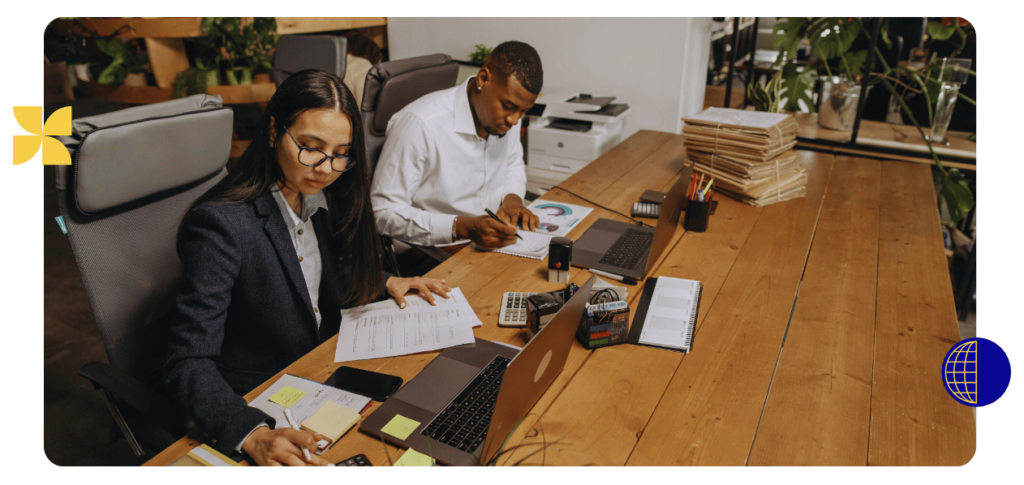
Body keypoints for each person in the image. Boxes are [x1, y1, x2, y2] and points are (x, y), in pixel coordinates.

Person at [166, 69, 450, 466]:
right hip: (257, 398)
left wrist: (386, 282)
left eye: (340, 153)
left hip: (320, 373)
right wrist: (251, 433)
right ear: (273, 132)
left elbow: (312, 280)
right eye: (311, 147)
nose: (326, 168)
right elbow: (188, 360)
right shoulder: (221, 225)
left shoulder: (317, 198)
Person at [370, 40, 544, 252]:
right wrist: (462, 227)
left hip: (492, 241)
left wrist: (513, 201)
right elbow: (381, 212)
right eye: (508, 106)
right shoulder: (420, 124)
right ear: (483, 79)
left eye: (523, 111)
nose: (514, 120)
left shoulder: (506, 119)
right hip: (433, 249)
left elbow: (513, 164)